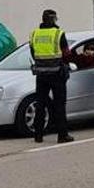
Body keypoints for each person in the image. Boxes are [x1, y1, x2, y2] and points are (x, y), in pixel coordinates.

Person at [29, 9, 73, 144]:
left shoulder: (34, 34)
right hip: (57, 74)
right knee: (60, 104)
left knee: (41, 104)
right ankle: (62, 135)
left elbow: (33, 52)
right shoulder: (58, 34)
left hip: (41, 75)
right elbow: (66, 54)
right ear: (54, 20)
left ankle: (38, 135)